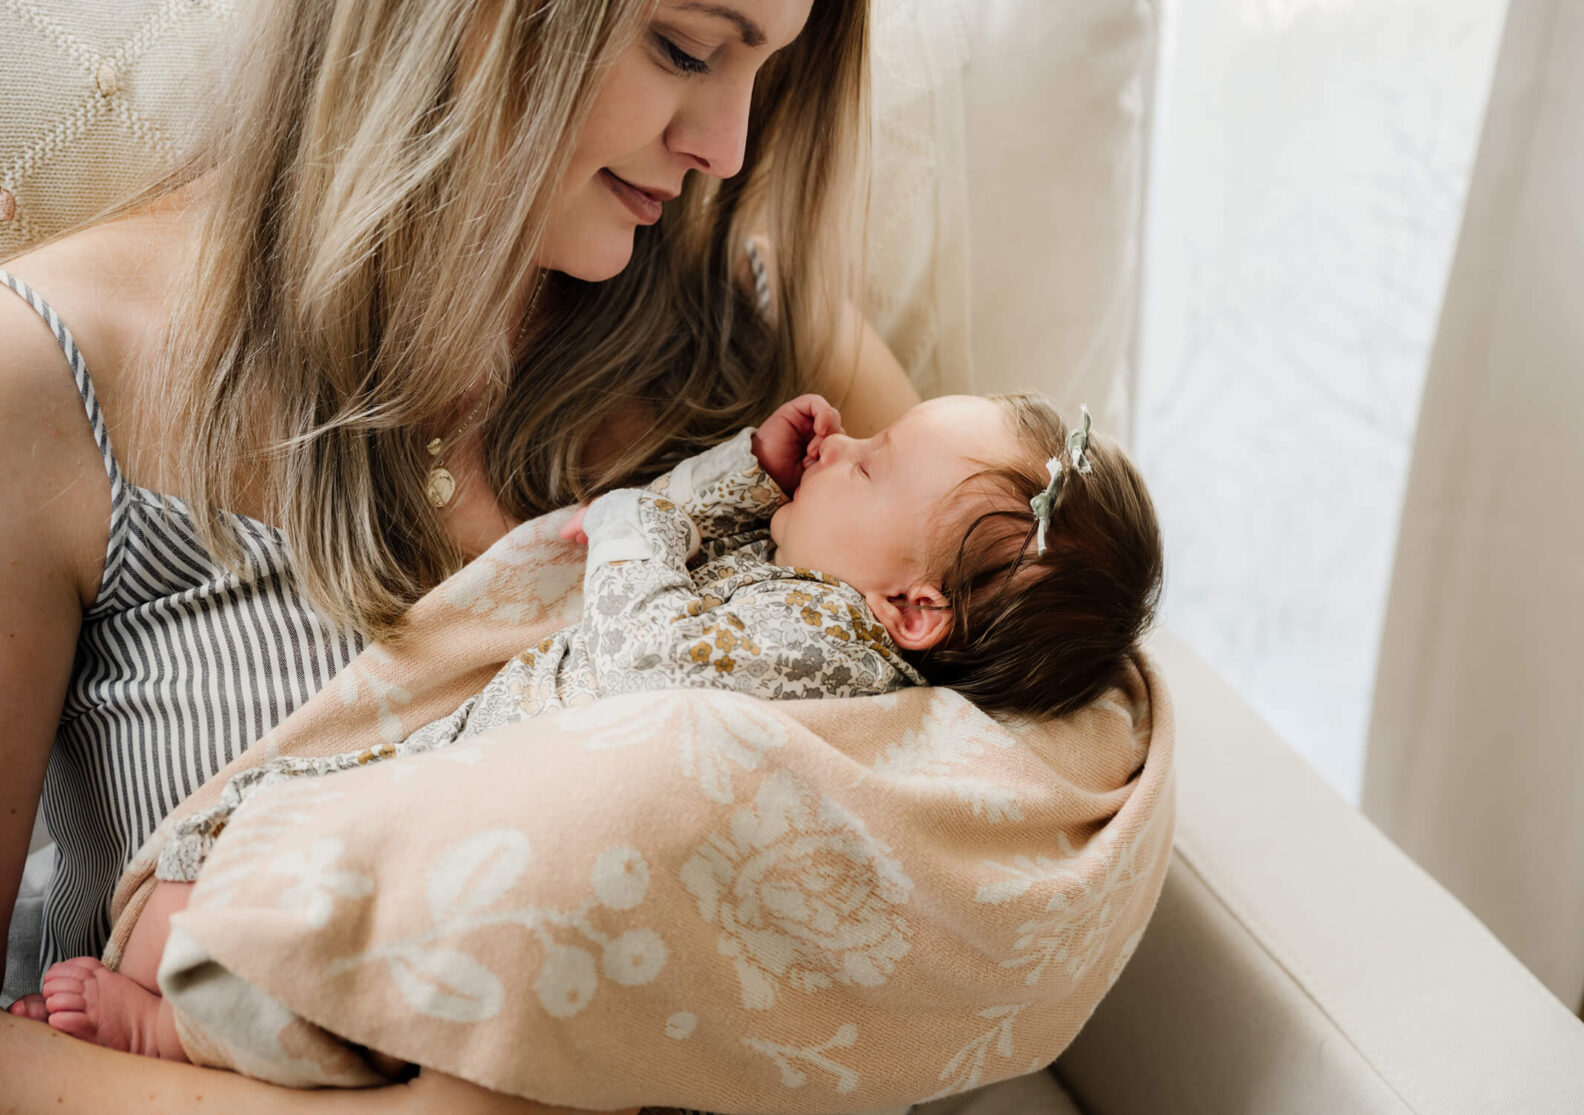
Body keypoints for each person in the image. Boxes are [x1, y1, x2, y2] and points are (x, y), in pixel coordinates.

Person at [0, 0, 919, 1111]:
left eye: (768, 67)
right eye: (687, 49)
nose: (726, 145)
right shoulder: (57, 381)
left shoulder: (760, 346)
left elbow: (1032, 680)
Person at [16, 389, 1163, 1081]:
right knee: (240, 833)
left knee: (331, 960)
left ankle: (180, 1036)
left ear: (910, 611)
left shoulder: (831, 646)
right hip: (474, 749)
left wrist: (624, 529)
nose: (839, 443)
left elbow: (647, 655)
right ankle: (176, 974)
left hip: (505, 809)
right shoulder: (824, 583)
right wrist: (744, 471)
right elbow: (709, 548)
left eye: (869, 463)